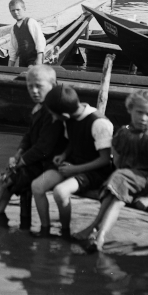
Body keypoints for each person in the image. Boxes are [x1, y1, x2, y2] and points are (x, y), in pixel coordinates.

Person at [74, 89, 148, 253]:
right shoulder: (125, 132)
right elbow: (117, 158)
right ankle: (99, 235)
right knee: (115, 195)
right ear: (130, 110)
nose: (143, 118)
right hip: (129, 180)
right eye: (139, 112)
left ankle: (95, 229)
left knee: (119, 179)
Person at [0, 65, 66, 229]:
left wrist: (21, 162)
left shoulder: (52, 111)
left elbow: (44, 147)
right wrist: (18, 153)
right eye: (30, 86)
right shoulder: (38, 107)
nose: (34, 91)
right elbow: (28, 136)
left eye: (39, 86)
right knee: (4, 178)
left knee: (7, 180)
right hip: (36, 161)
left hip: (50, 163)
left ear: (53, 85)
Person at [31, 85, 113, 239]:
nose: (53, 119)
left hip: (95, 171)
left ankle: (65, 231)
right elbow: (73, 141)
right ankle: (45, 229)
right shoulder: (70, 117)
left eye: (53, 115)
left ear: (64, 115)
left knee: (60, 191)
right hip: (73, 163)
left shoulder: (98, 123)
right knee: (37, 186)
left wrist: (75, 169)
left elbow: (105, 159)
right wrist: (63, 155)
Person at [7, 0, 46, 67]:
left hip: (33, 58)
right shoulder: (14, 28)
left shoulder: (31, 22)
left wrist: (39, 59)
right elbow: (13, 47)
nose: (16, 12)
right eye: (13, 10)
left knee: (29, 73)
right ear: (10, 12)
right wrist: (10, 64)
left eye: (18, 9)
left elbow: (40, 41)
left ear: (24, 9)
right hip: (22, 59)